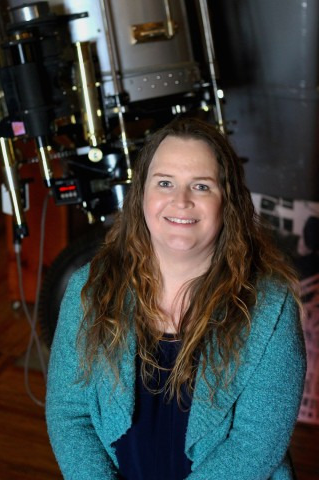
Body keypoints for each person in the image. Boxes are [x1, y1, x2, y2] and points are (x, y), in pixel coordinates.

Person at [46, 117, 306, 480]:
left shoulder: (271, 308)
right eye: (165, 182)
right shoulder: (88, 290)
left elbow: (254, 446)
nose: (180, 201)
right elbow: (68, 414)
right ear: (142, 195)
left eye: (200, 186)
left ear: (227, 201)